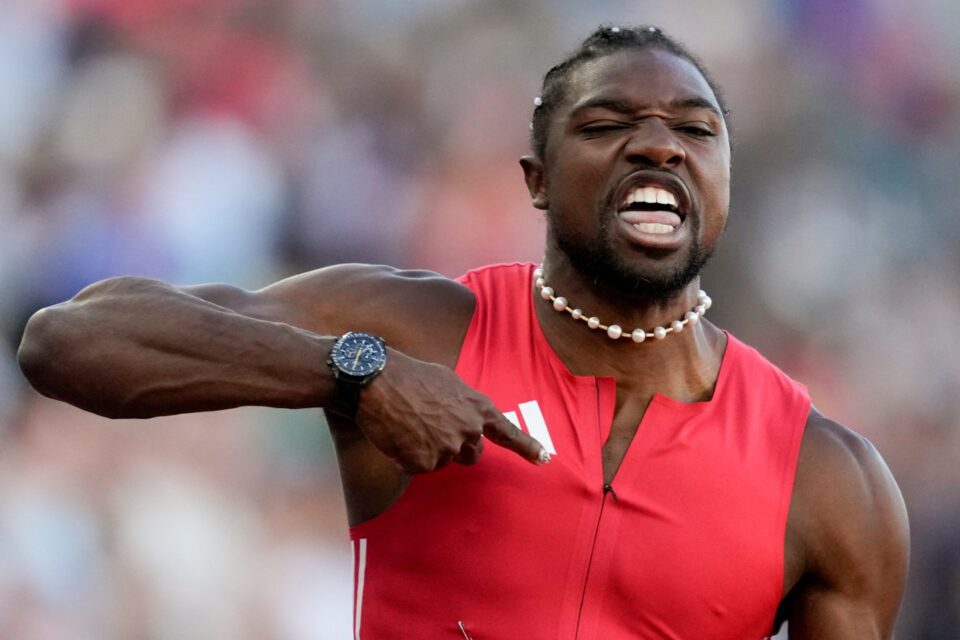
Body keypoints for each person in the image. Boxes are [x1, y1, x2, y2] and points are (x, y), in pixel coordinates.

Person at [18, 25, 908, 639]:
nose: (659, 147)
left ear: (723, 181)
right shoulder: (420, 329)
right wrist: (352, 376)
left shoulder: (829, 479)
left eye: (694, 132)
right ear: (534, 178)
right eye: (607, 125)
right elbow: (71, 340)